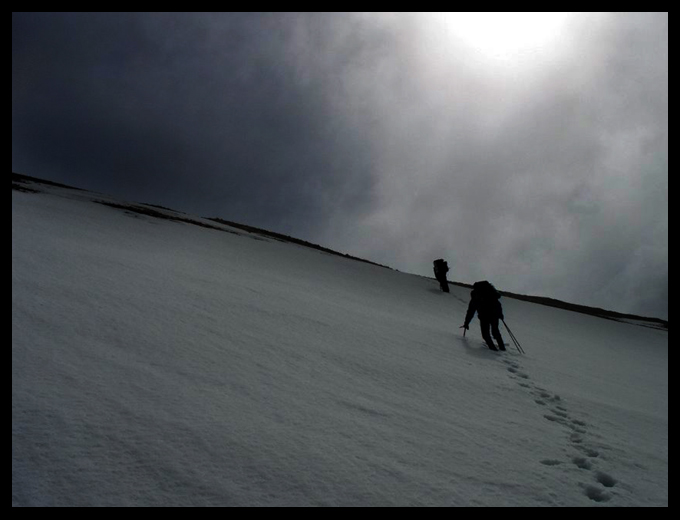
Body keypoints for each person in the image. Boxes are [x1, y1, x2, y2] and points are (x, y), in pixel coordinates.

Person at [461, 281, 505, 351]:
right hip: (494, 316)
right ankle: (502, 348)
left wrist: (466, 323)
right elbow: (498, 305)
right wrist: (500, 314)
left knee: (485, 334)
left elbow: (471, 311)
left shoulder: (476, 296)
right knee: (495, 332)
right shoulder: (491, 293)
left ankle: (493, 349)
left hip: (484, 317)